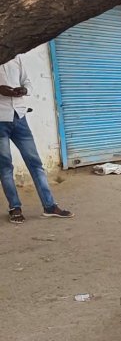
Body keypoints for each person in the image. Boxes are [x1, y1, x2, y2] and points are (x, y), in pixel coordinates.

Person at [0, 56, 73, 224]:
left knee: (35, 163)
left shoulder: (15, 56)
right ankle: (15, 208)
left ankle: (49, 206)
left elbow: (28, 82)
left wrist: (24, 90)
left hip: (19, 116)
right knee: (5, 167)